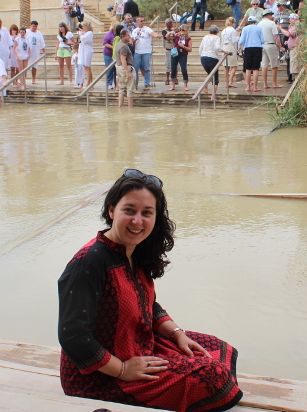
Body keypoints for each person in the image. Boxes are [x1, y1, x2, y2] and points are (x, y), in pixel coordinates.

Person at [57, 170, 243, 411]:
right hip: (99, 376)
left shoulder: (135, 251)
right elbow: (73, 335)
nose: (137, 221)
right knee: (212, 378)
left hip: (138, 344)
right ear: (111, 210)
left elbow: (148, 304)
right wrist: (123, 370)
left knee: (216, 348)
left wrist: (177, 334)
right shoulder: (89, 262)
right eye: (129, 210)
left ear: (156, 217)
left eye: (147, 213)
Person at [131, 16, 162, 92]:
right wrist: (133, 41)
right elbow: (132, 39)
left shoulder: (147, 29)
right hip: (137, 51)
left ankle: (147, 84)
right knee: (135, 69)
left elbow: (153, 33)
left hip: (146, 52)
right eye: (141, 21)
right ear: (137, 22)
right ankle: (135, 84)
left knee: (146, 68)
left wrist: (157, 35)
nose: (143, 22)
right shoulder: (134, 30)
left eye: (144, 20)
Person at [258, 9, 282, 89]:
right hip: (271, 45)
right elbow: (275, 36)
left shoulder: (259, 24)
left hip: (262, 45)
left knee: (264, 65)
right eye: (271, 15)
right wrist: (280, 46)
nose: (272, 16)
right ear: (268, 15)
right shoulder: (271, 23)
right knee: (274, 64)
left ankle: (265, 83)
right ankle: (274, 83)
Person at [238, 16, 263, 92]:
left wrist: (239, 47)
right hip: (257, 48)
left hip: (248, 48)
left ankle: (248, 86)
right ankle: (255, 87)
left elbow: (242, 40)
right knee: (256, 68)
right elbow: (262, 40)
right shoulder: (259, 28)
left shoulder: (245, 29)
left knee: (248, 68)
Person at [199, 25, 222, 102]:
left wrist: (202, 55)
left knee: (210, 74)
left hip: (203, 58)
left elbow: (200, 48)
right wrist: (224, 51)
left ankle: (206, 84)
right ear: (217, 32)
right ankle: (212, 97)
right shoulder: (216, 38)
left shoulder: (205, 37)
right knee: (215, 78)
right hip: (212, 58)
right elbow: (217, 47)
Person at [168, 26, 192, 92]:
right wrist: (171, 33)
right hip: (175, 53)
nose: (181, 31)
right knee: (173, 69)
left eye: (183, 30)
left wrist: (183, 46)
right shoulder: (177, 36)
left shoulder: (188, 39)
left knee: (183, 69)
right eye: (180, 29)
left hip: (183, 54)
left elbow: (190, 49)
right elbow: (169, 37)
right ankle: (172, 85)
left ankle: (186, 85)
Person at [115, 29, 134, 108]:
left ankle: (120, 107)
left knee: (122, 88)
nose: (129, 37)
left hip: (119, 67)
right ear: (123, 36)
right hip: (125, 67)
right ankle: (130, 108)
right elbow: (123, 58)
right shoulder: (124, 46)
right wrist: (127, 71)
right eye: (128, 35)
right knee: (130, 88)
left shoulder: (119, 44)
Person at [281, 13, 302, 80]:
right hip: (294, 49)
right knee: (294, 69)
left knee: (296, 69)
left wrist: (280, 28)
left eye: (290, 19)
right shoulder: (295, 26)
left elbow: (289, 34)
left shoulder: (297, 25)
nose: (289, 21)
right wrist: (289, 41)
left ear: (294, 19)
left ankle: (297, 85)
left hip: (296, 49)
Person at [221, 17, 240, 88]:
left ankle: (226, 82)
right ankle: (230, 81)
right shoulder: (233, 30)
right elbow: (235, 40)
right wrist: (238, 35)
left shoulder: (224, 30)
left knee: (226, 66)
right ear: (232, 23)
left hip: (224, 47)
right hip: (231, 47)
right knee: (234, 66)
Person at [26, 20, 46, 85]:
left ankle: (33, 79)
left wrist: (43, 51)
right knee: (25, 66)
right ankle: (23, 80)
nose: (34, 28)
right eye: (33, 26)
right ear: (30, 25)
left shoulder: (39, 33)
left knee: (35, 66)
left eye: (35, 26)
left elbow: (42, 42)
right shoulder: (27, 32)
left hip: (36, 52)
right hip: (27, 52)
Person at [103, 21, 119, 90]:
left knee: (116, 70)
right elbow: (105, 43)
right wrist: (114, 47)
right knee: (110, 69)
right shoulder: (109, 34)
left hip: (116, 54)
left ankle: (117, 84)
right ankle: (109, 83)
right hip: (109, 54)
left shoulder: (118, 34)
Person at [78, 21, 94, 88]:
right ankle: (91, 82)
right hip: (83, 50)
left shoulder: (89, 33)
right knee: (86, 67)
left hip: (87, 50)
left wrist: (81, 33)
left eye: (83, 26)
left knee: (87, 67)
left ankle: (88, 84)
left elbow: (83, 39)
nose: (82, 28)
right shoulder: (85, 33)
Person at [161, 19, 175, 85]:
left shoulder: (174, 30)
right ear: (167, 24)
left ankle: (175, 78)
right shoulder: (164, 31)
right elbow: (167, 38)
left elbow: (175, 37)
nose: (172, 24)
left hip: (174, 49)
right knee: (168, 64)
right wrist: (170, 34)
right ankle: (167, 79)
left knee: (176, 65)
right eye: (170, 23)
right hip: (168, 49)